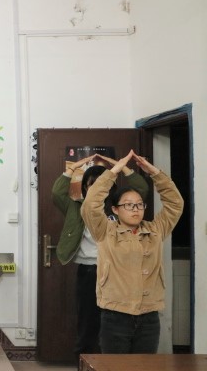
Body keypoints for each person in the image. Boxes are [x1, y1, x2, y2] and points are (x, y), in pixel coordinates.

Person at [81, 150, 183, 354]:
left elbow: (175, 203)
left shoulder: (155, 230)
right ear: (115, 209)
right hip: (115, 315)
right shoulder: (105, 230)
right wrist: (114, 171)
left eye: (139, 205)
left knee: (144, 366)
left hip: (149, 316)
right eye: (128, 205)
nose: (135, 209)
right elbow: (90, 205)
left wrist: (154, 173)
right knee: (115, 367)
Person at [52, 154, 148, 359]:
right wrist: (72, 168)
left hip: (117, 271)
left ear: (110, 185)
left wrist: (121, 167)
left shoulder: (119, 208)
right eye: (91, 184)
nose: (96, 188)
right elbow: (57, 193)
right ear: (85, 188)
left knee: (116, 321)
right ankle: (84, 363)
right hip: (89, 271)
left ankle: (112, 363)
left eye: (101, 183)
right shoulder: (76, 207)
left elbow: (141, 190)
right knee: (87, 322)